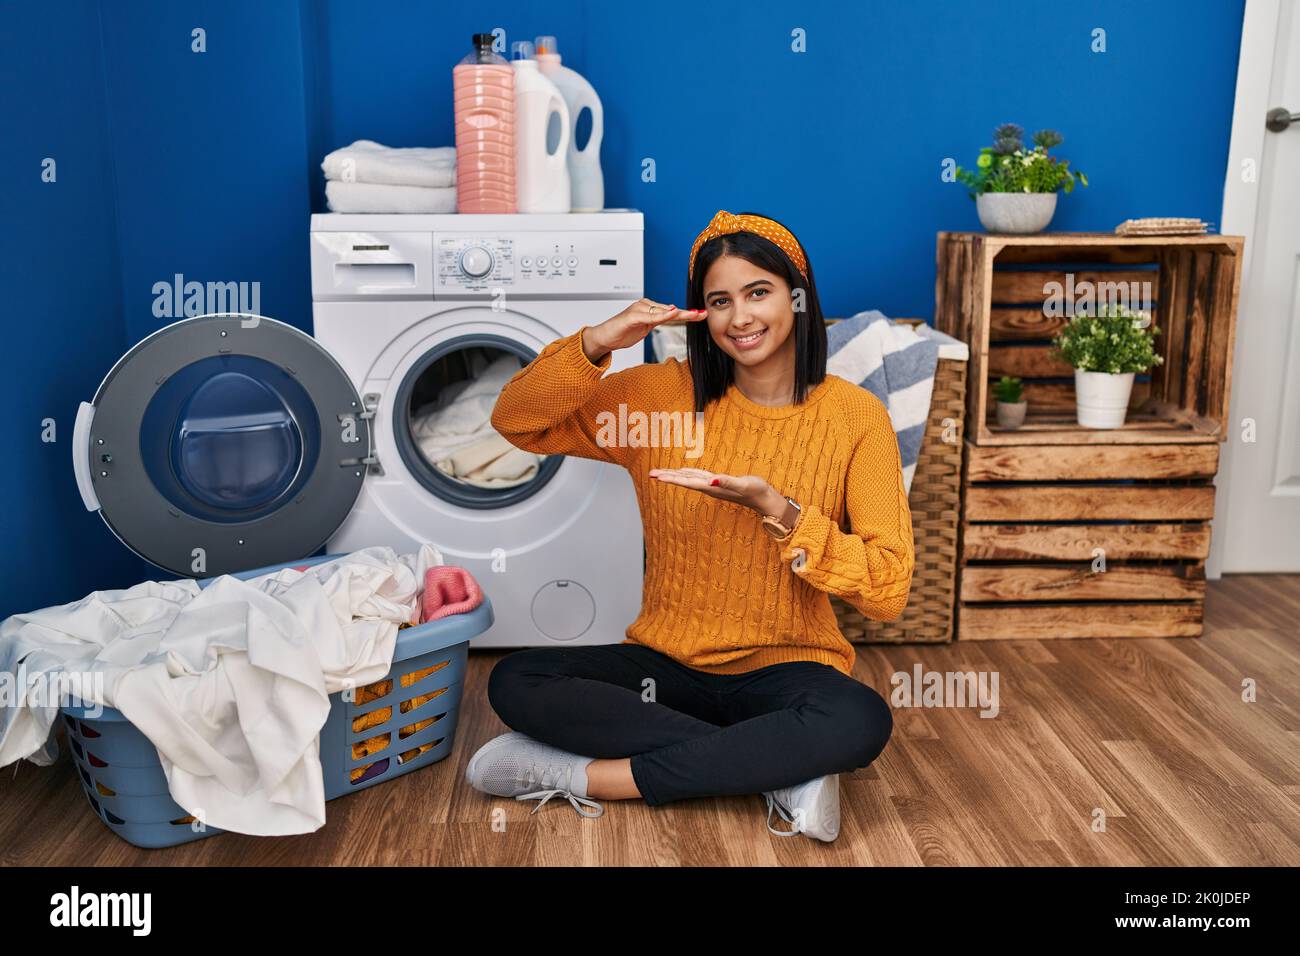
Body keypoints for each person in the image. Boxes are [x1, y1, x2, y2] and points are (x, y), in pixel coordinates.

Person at [465, 209, 914, 841]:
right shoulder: (658, 400)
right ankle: (777, 767)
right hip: (666, 669)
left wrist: (780, 511)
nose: (741, 317)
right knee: (517, 680)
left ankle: (591, 777)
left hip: (788, 670)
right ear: (703, 313)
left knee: (860, 720)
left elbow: (888, 589)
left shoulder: (855, 417)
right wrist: (599, 341)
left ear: (797, 295)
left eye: (758, 292)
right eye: (720, 301)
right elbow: (516, 420)